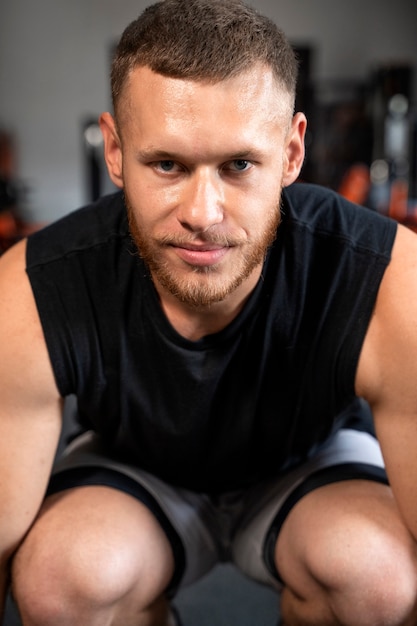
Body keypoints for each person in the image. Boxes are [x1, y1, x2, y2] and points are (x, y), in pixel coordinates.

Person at [1, 1, 417, 624]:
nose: (203, 212)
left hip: (308, 462)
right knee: (60, 584)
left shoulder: (388, 280)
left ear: (292, 153)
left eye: (239, 165)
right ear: (115, 150)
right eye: (167, 164)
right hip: (133, 469)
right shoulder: (32, 292)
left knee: (380, 581)